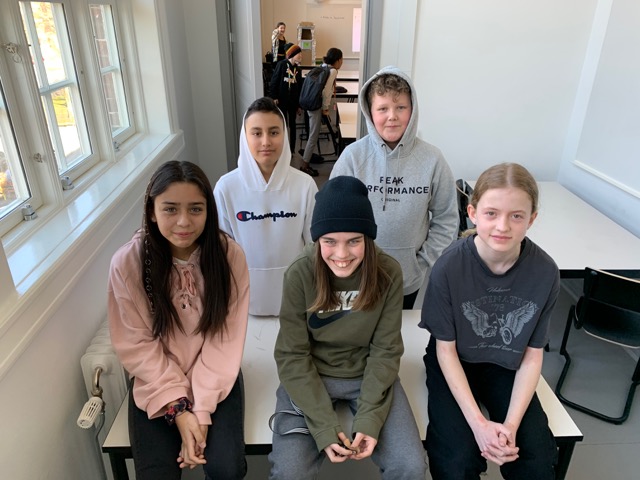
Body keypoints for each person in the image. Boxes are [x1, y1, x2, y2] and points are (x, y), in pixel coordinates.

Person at [268, 176, 427, 480]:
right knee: (290, 472)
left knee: (410, 466)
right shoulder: (299, 273)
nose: (341, 255)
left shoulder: (388, 272)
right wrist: (324, 426)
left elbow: (385, 350)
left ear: (368, 238)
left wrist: (369, 419)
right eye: (330, 241)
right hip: (311, 374)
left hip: (368, 373)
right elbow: (292, 355)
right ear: (317, 240)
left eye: (354, 241)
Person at [108, 161, 250, 479]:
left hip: (216, 373)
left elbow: (225, 339)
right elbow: (137, 346)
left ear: (208, 211)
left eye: (196, 209)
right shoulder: (127, 263)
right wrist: (180, 410)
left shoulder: (230, 256)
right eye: (170, 209)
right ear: (152, 211)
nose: (184, 221)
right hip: (156, 379)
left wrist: (201, 411)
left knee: (226, 469)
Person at [419, 162, 559, 479]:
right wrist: (480, 425)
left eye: (517, 216)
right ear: (473, 213)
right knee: (456, 460)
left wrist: (510, 425)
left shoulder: (545, 272)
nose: (502, 226)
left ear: (532, 219)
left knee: (535, 457)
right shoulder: (448, 267)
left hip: (507, 363)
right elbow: (445, 351)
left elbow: (532, 355)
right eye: (491, 213)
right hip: (454, 359)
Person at [330, 66, 458, 309]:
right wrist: (344, 260)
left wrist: (422, 263)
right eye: (383, 108)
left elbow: (447, 218)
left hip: (407, 278)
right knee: (354, 328)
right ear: (370, 112)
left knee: (396, 329)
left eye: (401, 107)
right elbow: (332, 217)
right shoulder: (353, 157)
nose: (392, 116)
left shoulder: (432, 159)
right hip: (355, 276)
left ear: (413, 110)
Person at [214, 97, 317, 316]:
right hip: (243, 305)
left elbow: (314, 245)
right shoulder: (226, 188)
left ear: (285, 134)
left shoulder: (305, 185)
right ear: (245, 137)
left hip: (296, 301)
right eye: (257, 133)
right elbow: (222, 252)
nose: (266, 141)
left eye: (273, 132)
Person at [300, 48, 343, 176]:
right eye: (341, 60)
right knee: (314, 135)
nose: (342, 63)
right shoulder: (333, 71)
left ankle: (307, 156)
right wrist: (325, 108)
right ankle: (304, 164)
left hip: (309, 102)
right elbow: (326, 92)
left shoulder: (323, 67)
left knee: (313, 133)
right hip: (316, 106)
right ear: (338, 60)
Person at [270, 44, 304, 170]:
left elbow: (299, 88)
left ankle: (292, 149)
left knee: (293, 125)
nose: (300, 56)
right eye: (298, 53)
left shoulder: (298, 69)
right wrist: (274, 96)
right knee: (282, 125)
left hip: (293, 102)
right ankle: (282, 149)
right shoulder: (282, 65)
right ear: (292, 54)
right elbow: (274, 81)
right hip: (282, 101)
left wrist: (299, 105)